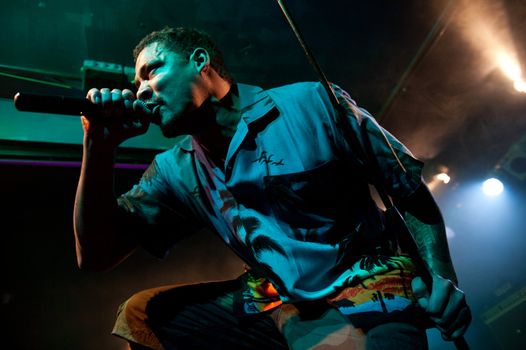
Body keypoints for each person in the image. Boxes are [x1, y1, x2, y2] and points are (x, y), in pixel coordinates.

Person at [74, 26, 471, 349]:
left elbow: (408, 189)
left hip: (370, 293)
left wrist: (442, 277)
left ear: (201, 62)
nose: (141, 89)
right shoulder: (176, 169)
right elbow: (96, 255)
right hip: (277, 303)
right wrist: (98, 148)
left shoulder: (312, 103)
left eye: (152, 71)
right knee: (143, 315)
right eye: (136, 81)